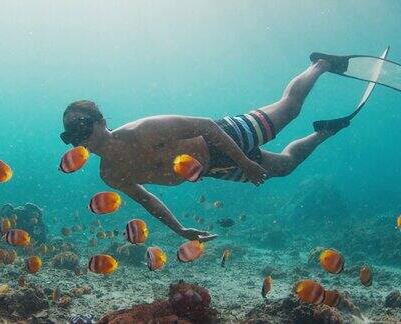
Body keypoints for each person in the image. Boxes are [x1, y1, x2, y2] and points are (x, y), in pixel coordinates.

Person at [60, 58, 345, 241]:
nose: (81, 138)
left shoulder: (142, 131)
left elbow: (206, 126)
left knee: (290, 109)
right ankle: (323, 132)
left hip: (225, 138)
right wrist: (180, 230)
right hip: (211, 170)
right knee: (285, 167)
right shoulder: (110, 174)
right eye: (71, 135)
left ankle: (320, 64)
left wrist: (244, 162)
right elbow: (146, 200)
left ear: (102, 122)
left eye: (83, 126)